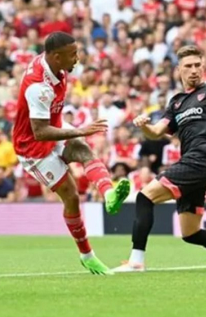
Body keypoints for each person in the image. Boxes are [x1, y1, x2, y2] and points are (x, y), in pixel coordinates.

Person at [113, 45, 206, 272]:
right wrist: (144, 126)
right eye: (188, 66)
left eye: (197, 65)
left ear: (203, 66)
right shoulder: (176, 103)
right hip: (195, 163)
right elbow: (156, 132)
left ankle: (136, 261)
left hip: (202, 158)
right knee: (191, 233)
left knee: (145, 198)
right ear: (179, 70)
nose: (194, 70)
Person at [12, 32, 131, 275]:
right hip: (33, 147)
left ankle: (109, 195)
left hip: (53, 127)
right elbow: (40, 132)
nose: (77, 58)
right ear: (56, 57)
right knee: (72, 197)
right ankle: (87, 256)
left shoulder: (57, 68)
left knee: (83, 149)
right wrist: (79, 129)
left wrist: (75, 134)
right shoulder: (38, 87)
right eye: (72, 54)